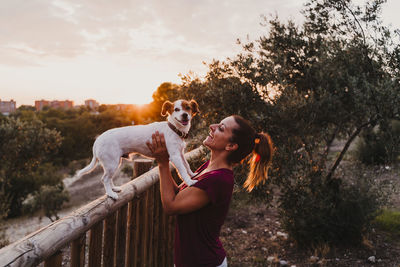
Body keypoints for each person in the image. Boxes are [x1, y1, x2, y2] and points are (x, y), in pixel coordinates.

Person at [146, 115, 274, 267]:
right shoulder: (209, 167)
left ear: (231, 146)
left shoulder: (218, 179)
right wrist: (164, 159)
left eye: (220, 128)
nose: (212, 126)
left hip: (203, 261)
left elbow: (171, 205)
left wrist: (162, 163)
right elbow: (179, 195)